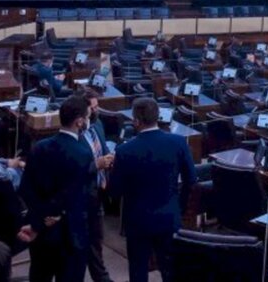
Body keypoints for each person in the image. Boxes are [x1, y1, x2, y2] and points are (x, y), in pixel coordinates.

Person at [110, 97, 197, 282]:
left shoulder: (124, 151)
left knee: (138, 271)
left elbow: (115, 190)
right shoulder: (179, 142)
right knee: (170, 270)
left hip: (137, 220)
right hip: (169, 216)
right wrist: (179, 206)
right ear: (158, 117)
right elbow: (191, 180)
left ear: (136, 120)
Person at [18, 95, 96, 282]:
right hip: (70, 234)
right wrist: (56, 215)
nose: (88, 121)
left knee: (40, 275)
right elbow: (76, 196)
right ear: (79, 122)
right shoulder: (83, 154)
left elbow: (25, 189)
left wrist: (39, 220)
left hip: (39, 231)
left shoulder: (39, 147)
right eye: (87, 117)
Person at [77, 90, 115, 282]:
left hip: (99, 190)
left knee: (96, 239)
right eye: (93, 108)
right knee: (87, 241)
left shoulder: (98, 124)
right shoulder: (75, 133)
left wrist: (110, 159)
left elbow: (105, 150)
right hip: (82, 195)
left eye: (97, 106)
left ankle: (100, 276)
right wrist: (96, 165)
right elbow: (73, 168)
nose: (97, 110)